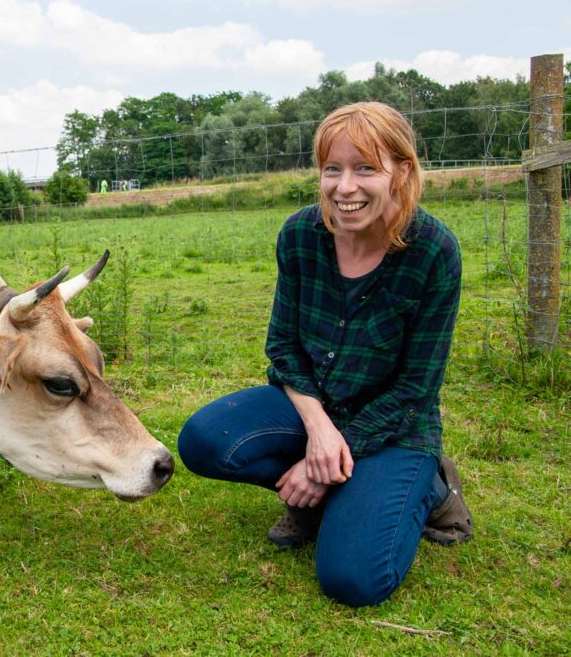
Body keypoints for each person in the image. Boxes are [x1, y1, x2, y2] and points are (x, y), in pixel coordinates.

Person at [177, 102, 473, 608]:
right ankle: (331, 491)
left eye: (365, 169)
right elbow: (284, 349)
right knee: (205, 441)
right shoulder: (300, 235)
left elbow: (414, 390)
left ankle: (433, 489)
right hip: (312, 405)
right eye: (332, 168)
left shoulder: (434, 252)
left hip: (394, 429)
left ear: (401, 172)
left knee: (352, 579)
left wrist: (321, 464)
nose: (344, 187)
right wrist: (318, 431)